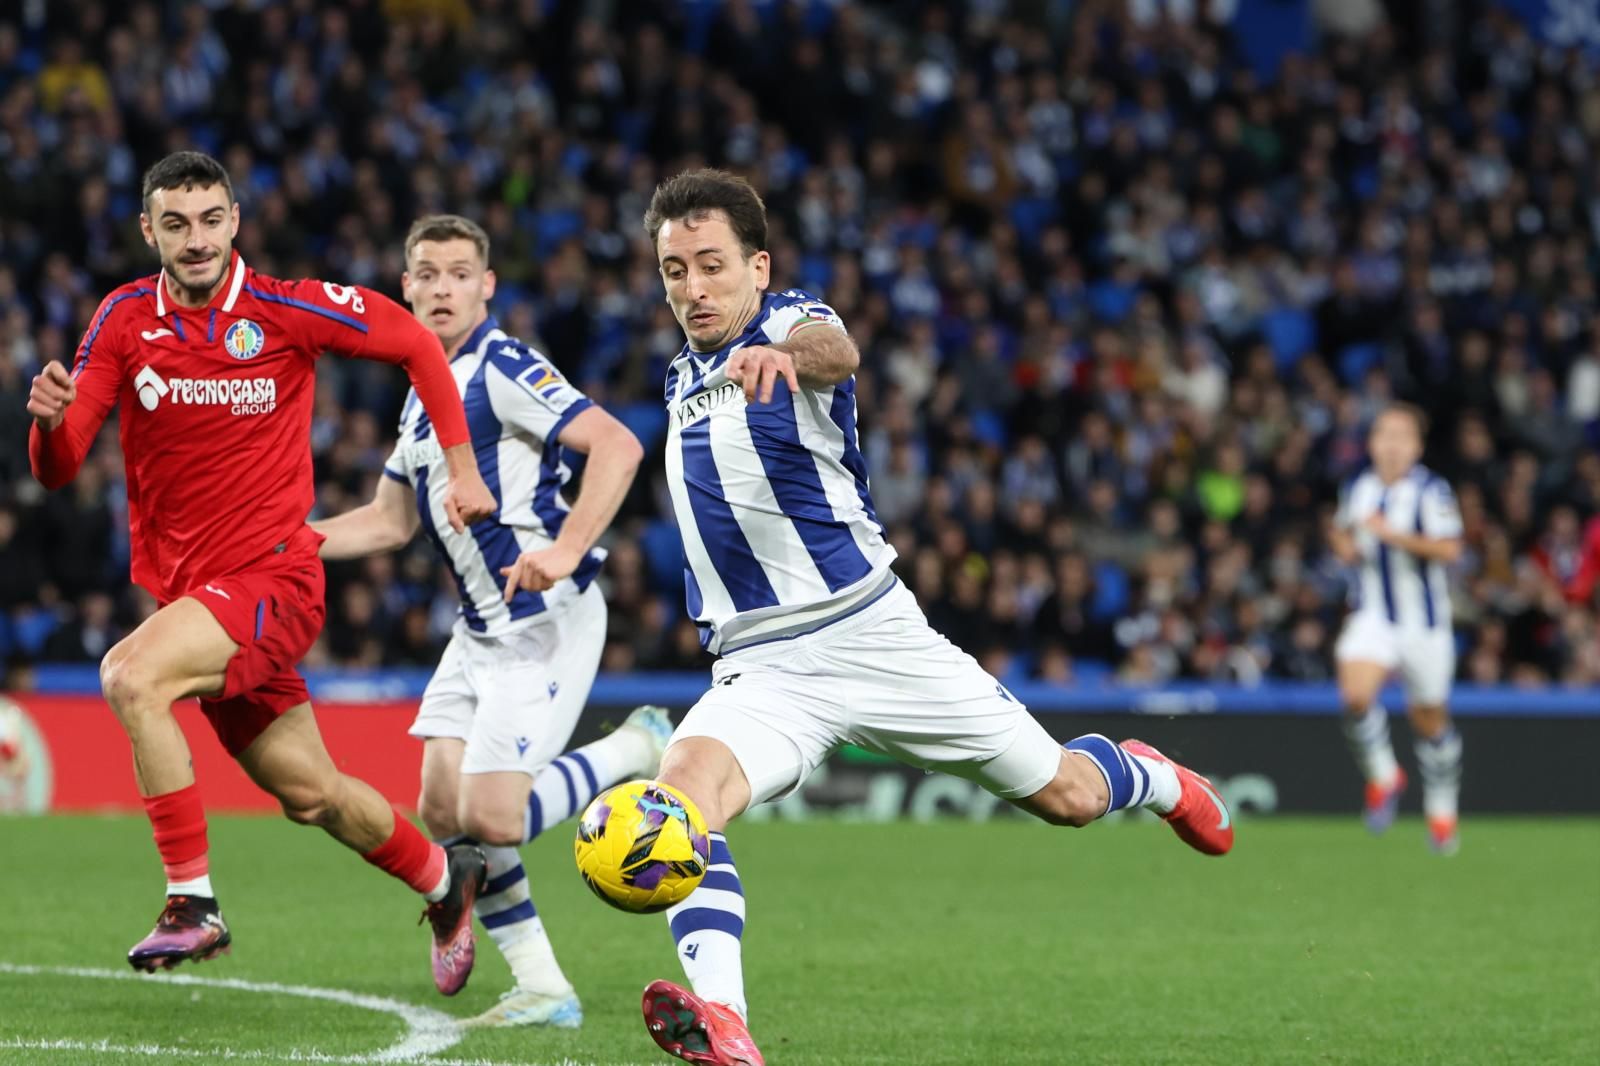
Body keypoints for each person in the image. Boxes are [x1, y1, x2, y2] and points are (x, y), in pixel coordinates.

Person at [533, 169, 1232, 1066]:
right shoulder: (679, 376)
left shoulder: (787, 323)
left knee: (1069, 797)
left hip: (872, 635)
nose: (693, 287)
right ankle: (726, 1024)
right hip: (761, 670)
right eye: (675, 270)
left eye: (711, 265)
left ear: (758, 264)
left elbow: (839, 349)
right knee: (684, 794)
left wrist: (786, 357)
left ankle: (1153, 777)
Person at [26, 151, 498, 992]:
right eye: (176, 224)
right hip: (197, 599)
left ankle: (190, 902)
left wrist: (461, 471)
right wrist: (48, 427)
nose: (196, 239)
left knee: (131, 676)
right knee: (312, 795)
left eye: (211, 220)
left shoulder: (288, 309)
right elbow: (59, 467)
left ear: (235, 220)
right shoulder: (125, 320)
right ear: (150, 232)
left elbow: (418, 345)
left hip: (273, 580)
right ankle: (443, 878)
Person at [312, 214, 671, 1028]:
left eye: (459, 273)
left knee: (492, 818)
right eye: (427, 274)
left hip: (547, 618)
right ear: (404, 288)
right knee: (441, 810)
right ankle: (543, 987)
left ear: (487, 287)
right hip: (478, 632)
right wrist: (282, 542)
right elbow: (387, 522)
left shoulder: (502, 365)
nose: (442, 288)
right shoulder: (418, 398)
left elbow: (616, 446)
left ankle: (633, 747)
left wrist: (571, 545)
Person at [1329, 404, 1464, 854]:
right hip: (1375, 616)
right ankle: (1385, 776)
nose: (1391, 444)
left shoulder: (1431, 490)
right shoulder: (1360, 486)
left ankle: (1442, 810)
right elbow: (1340, 529)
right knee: (1355, 695)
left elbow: (1448, 549)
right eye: (1384, 434)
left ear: (1417, 447)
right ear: (1371, 443)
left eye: (1401, 436)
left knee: (1430, 723)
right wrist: (1345, 545)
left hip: (1424, 625)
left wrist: (1392, 536)